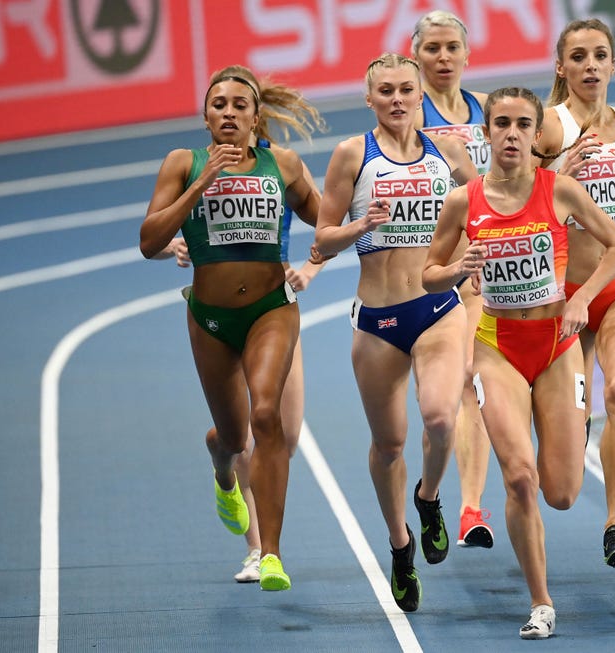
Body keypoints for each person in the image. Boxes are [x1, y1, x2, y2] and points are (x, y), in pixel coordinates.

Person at [422, 86, 615, 638]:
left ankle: (572, 415)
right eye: (501, 124)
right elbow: (428, 271)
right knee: (519, 477)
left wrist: (583, 298)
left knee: (561, 492)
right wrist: (455, 270)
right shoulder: (464, 201)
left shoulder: (559, 190)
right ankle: (541, 601)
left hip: (558, 348)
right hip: (497, 347)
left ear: (535, 134)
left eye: (522, 124)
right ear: (487, 132)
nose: (512, 133)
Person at [140, 64, 324, 591]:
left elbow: (325, 220)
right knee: (234, 435)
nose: (228, 112)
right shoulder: (183, 163)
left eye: (239, 105)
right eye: (218, 105)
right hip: (211, 318)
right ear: (205, 117)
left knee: (269, 419)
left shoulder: (281, 164)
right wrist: (201, 184)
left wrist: (364, 216)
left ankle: (271, 554)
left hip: (270, 307)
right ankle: (222, 468)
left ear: (255, 116)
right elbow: (149, 240)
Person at [311, 53, 477, 612]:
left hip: (437, 308)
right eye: (386, 91)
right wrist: (360, 226)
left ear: (419, 93)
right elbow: (322, 242)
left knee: (439, 416)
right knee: (388, 446)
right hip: (378, 320)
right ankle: (401, 545)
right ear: (370, 98)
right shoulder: (351, 155)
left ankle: (429, 498)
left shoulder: (446, 152)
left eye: (407, 89)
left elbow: (490, 206)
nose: (398, 99)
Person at [533, 18, 615, 568]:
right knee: (567, 437)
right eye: (579, 57)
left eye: (600, 56)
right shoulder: (547, 127)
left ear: (614, 65)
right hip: (566, 297)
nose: (591, 66)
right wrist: (560, 169)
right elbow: (513, 195)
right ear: (561, 67)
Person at [412, 9, 494, 548]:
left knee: (476, 382)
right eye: (433, 48)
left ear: (468, 55)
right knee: (454, 392)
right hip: (433, 275)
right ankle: (447, 501)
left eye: (452, 48)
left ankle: (468, 507)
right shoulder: (404, 114)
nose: (443, 57)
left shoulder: (487, 110)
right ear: (416, 54)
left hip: (489, 270)